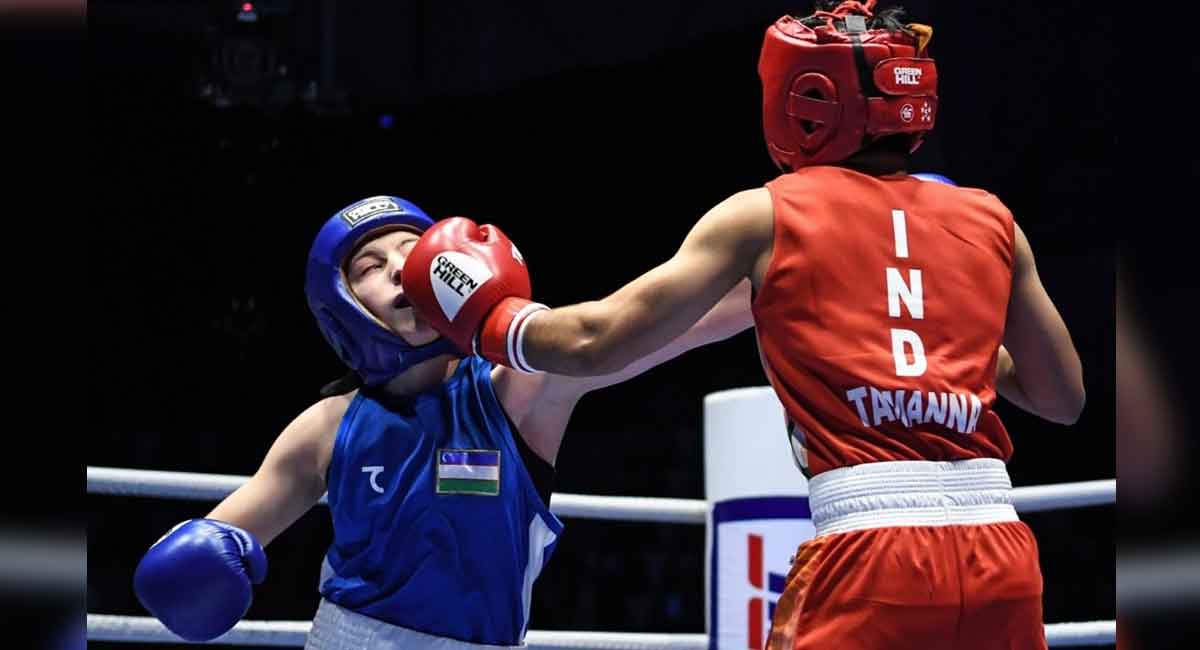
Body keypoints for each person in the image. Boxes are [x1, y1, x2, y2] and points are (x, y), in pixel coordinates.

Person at [400, 1, 1086, 648]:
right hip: (1001, 550)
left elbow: (595, 339)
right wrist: (943, 338)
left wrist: (491, 320)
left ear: (808, 98)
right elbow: (1062, 398)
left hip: (872, 552)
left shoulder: (768, 213)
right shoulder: (995, 221)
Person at [131, 195, 753, 648]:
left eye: (412, 249)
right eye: (370, 267)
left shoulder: (520, 390)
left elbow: (679, 322)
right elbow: (216, 540)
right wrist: (196, 566)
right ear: (341, 307)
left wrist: (795, 263)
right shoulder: (328, 425)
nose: (403, 267)